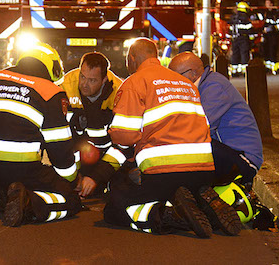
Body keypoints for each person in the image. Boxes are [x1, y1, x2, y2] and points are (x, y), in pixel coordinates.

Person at [102, 38, 241, 238]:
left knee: (116, 206)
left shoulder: (135, 82)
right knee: (174, 189)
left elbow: (125, 136)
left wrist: (115, 131)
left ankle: (170, 214)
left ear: (131, 59)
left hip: (163, 172)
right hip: (203, 171)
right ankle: (201, 200)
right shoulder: (186, 84)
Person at [0, 42, 83, 227]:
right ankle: (29, 204)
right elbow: (59, 148)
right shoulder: (50, 91)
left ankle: (2, 193)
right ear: (50, 67)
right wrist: (70, 180)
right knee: (71, 200)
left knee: (13, 177)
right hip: (20, 168)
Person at [168, 52, 263, 188]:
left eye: (175, 76)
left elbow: (198, 128)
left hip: (244, 160)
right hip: (230, 152)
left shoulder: (214, 87)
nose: (173, 82)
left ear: (193, 73)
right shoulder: (200, 87)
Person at [60, 52, 125, 198]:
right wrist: (73, 177)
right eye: (82, 77)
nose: (84, 84)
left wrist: (97, 176)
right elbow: (58, 137)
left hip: (106, 156)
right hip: (76, 153)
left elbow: (122, 146)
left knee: (121, 187)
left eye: (92, 80)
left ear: (104, 80)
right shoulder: (66, 85)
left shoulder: (120, 93)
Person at [229, 2, 254, 76]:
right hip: (243, 38)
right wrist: (252, 39)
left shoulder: (233, 17)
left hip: (235, 39)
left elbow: (230, 30)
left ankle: (234, 70)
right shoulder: (245, 18)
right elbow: (249, 30)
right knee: (244, 53)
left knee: (235, 53)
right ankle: (244, 70)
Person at [260, 0, 279, 74]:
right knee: (266, 51)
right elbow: (263, 23)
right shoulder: (265, 13)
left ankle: (274, 67)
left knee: (272, 51)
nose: (266, 5)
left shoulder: (276, 12)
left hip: (273, 35)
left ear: (271, 4)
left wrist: (272, 27)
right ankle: (267, 68)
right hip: (266, 36)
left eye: (268, 3)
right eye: (266, 3)